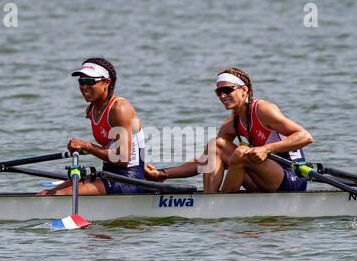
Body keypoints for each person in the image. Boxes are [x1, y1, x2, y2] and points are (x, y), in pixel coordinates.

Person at [145, 67, 314, 192]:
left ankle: (220, 204)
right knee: (215, 146)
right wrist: (163, 173)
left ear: (244, 90)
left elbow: (305, 136)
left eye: (227, 90)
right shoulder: (231, 123)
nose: (222, 96)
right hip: (263, 177)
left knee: (241, 152)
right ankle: (210, 198)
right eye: (218, 92)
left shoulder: (263, 110)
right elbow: (202, 163)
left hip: (291, 177)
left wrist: (266, 149)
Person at [38, 57, 146, 195]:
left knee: (59, 195)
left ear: (106, 82)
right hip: (109, 174)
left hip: (129, 180)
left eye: (90, 82)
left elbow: (122, 158)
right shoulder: (92, 110)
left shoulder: (120, 109)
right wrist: (87, 149)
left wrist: (86, 146)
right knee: (45, 193)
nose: (84, 87)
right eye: (81, 82)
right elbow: (117, 145)